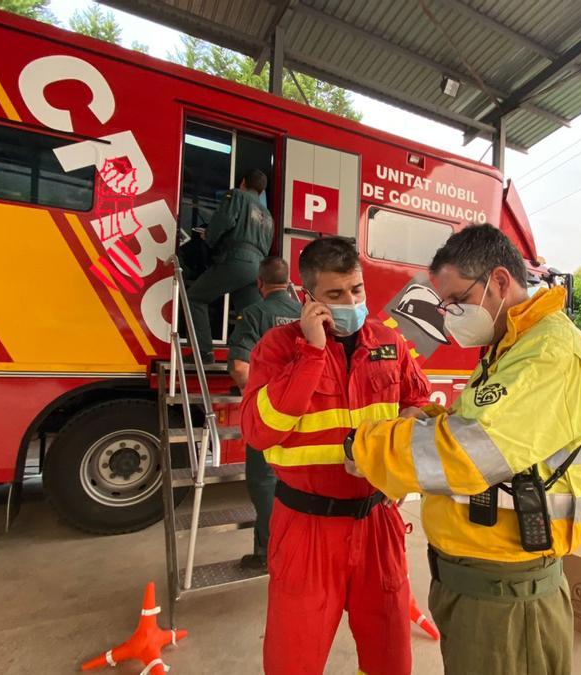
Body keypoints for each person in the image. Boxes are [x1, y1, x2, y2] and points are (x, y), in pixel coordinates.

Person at [346, 223, 581, 674]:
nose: (449, 316)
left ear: (500, 282)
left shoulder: (550, 352)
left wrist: (365, 446)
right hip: (481, 583)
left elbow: (469, 451)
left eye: (458, 301)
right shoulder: (512, 344)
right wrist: (427, 419)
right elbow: (481, 425)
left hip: (507, 597)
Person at [240, 236, 430, 675]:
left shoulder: (389, 342)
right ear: (307, 298)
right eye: (335, 294)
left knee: (391, 658)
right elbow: (258, 430)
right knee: (294, 661)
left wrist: (398, 459)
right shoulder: (277, 347)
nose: (351, 301)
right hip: (306, 529)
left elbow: (418, 404)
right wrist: (311, 352)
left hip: (378, 522)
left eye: (357, 290)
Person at [227, 256, 302, 572]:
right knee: (296, 485)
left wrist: (257, 401)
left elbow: (240, 368)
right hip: (305, 414)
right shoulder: (303, 314)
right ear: (289, 283)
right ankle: (296, 548)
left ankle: (268, 553)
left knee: (263, 483)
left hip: (271, 417)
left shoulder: (255, 314)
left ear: (259, 283)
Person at [188, 168, 273, 362]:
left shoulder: (236, 195)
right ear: (261, 192)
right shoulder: (267, 215)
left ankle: (203, 353)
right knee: (249, 316)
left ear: (243, 182)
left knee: (195, 298)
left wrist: (208, 237)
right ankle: (250, 362)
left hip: (237, 259)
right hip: (258, 268)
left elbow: (224, 220)